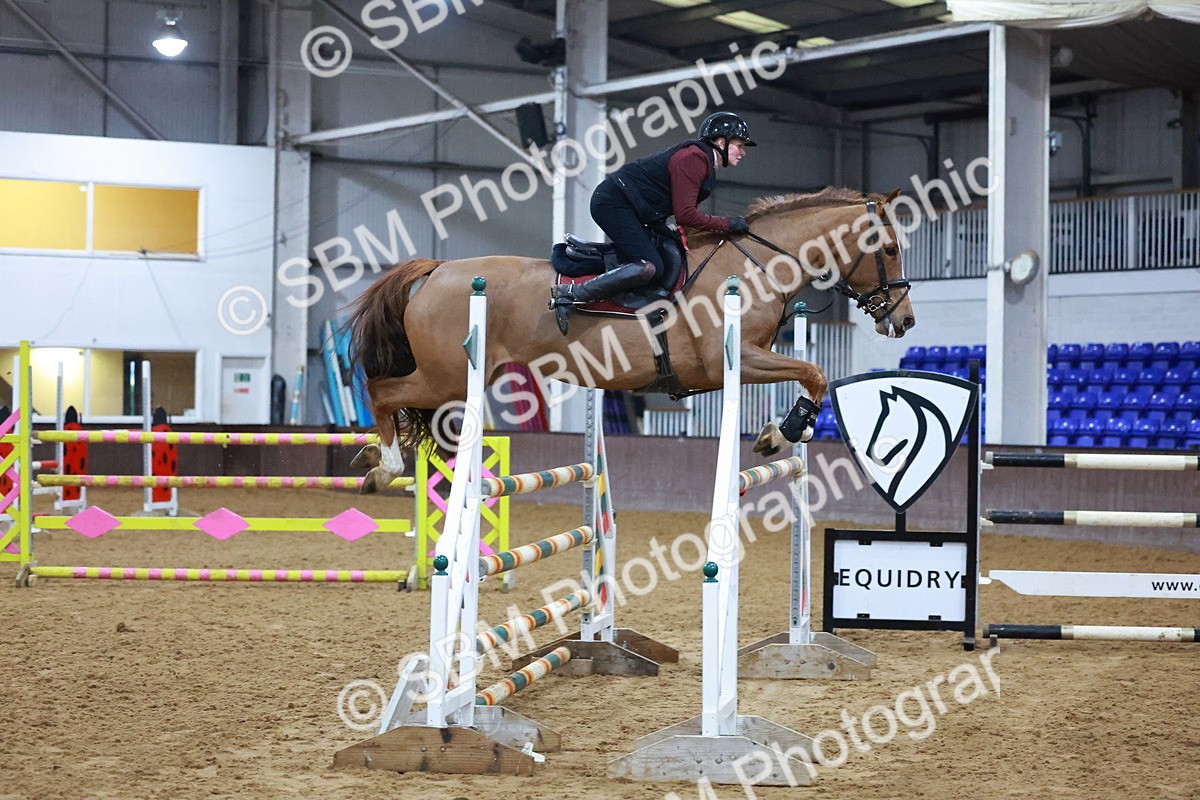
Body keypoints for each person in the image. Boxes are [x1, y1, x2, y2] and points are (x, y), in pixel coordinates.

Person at [549, 111, 756, 334]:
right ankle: (572, 293)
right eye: (739, 145)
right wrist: (728, 224)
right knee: (648, 266)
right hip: (614, 203)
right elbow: (686, 215)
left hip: (634, 208)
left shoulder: (704, 162)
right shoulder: (695, 158)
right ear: (721, 142)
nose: (743, 152)